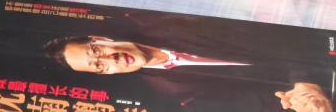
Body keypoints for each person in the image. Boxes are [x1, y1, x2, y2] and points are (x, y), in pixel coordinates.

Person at [46, 32, 333, 111]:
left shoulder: (171, 23)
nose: (110, 59)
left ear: (100, 38)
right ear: (105, 76)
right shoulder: (174, 98)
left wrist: (306, 81)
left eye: (96, 50)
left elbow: (281, 37)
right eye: (100, 66)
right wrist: (304, 102)